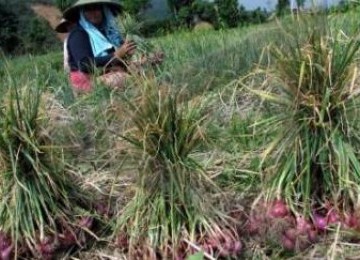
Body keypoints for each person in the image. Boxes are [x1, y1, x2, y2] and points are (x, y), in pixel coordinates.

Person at [63, 0, 137, 94]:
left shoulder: (109, 33)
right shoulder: (78, 34)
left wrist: (128, 55)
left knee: (142, 67)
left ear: (103, 10)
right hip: (86, 81)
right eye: (88, 9)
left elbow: (118, 58)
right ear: (82, 13)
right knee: (123, 79)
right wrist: (115, 55)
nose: (93, 12)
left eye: (97, 8)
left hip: (105, 73)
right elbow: (84, 64)